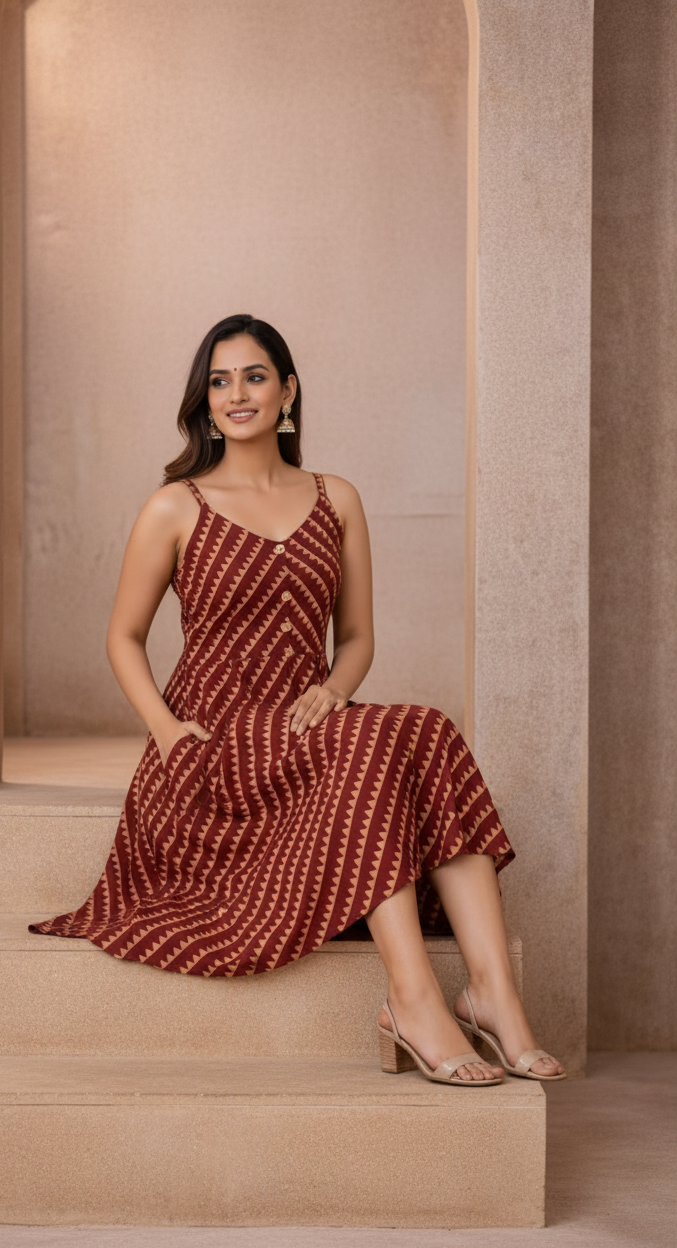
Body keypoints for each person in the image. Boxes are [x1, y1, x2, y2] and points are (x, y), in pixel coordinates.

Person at [31, 314, 565, 1086]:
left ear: (287, 391)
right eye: (219, 381)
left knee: (425, 728)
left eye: (254, 376)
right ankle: (414, 999)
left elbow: (358, 638)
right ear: (205, 401)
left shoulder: (335, 499)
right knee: (372, 744)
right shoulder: (175, 506)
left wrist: (335, 690)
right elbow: (124, 637)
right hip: (215, 745)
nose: (237, 394)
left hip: (309, 727)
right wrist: (166, 729)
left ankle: (494, 997)